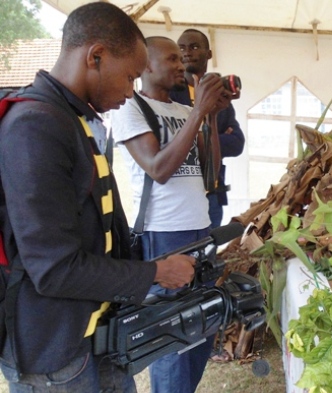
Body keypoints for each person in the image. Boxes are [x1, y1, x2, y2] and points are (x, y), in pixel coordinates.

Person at [0, 3, 196, 392]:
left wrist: (146, 264)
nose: (130, 92)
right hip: (55, 356)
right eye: (129, 77)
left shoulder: (72, 118)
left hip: (97, 338)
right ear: (95, 56)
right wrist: (155, 273)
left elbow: (95, 230)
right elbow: (54, 268)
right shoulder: (35, 126)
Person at [111, 36, 231, 393]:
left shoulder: (182, 112)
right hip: (164, 236)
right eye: (172, 59)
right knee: (171, 337)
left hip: (199, 232)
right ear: (146, 65)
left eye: (183, 59)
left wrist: (207, 114)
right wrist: (198, 113)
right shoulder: (131, 108)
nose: (182, 65)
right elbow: (158, 169)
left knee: (201, 330)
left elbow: (211, 171)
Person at [171, 29, 245, 228]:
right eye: (182, 48)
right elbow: (169, 141)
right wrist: (211, 135)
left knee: (209, 255)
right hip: (179, 194)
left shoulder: (219, 94)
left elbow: (237, 143)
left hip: (213, 194)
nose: (187, 52)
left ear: (209, 54)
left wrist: (192, 137)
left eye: (194, 47)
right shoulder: (170, 93)